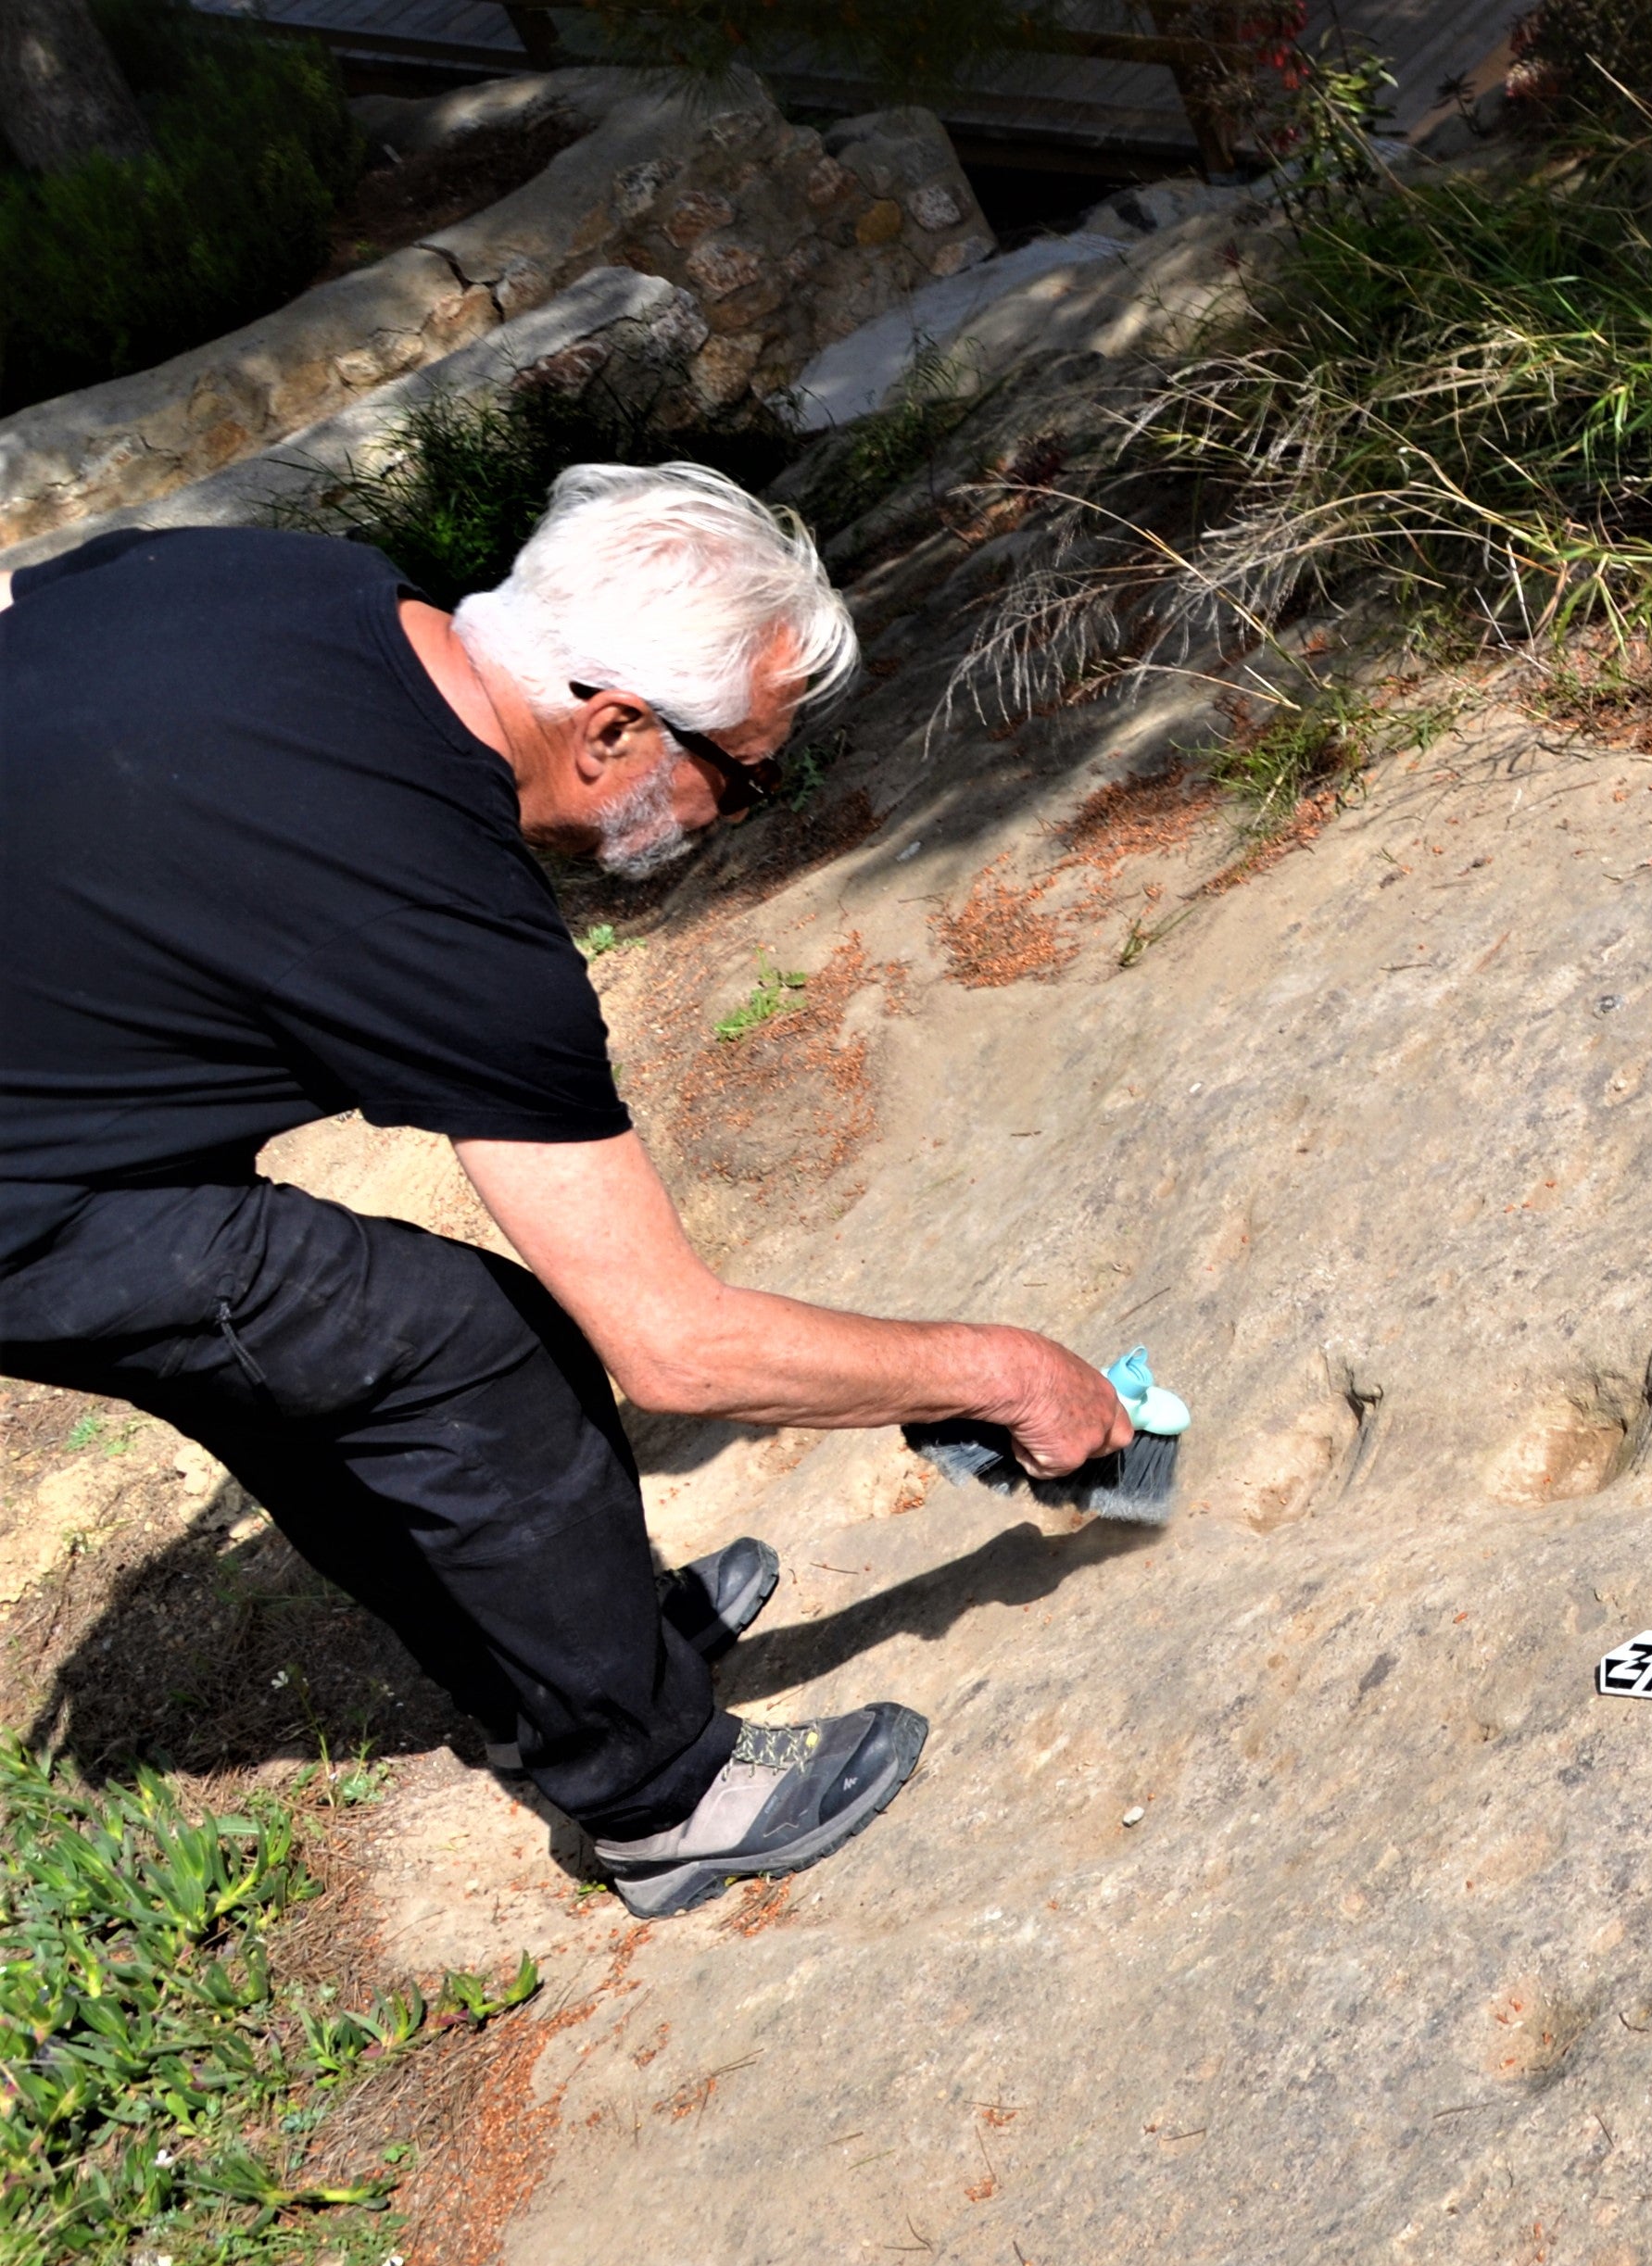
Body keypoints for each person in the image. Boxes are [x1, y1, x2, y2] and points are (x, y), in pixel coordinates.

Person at [0, 464, 1126, 1915]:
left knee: (300, 1367)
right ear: (612, 728)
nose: (739, 812)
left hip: (56, 1072)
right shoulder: (441, 912)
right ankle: (661, 1794)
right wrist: (999, 1374)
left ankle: (574, 1658)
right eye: (747, 773)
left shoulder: (294, 579)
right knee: (456, 1350)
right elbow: (674, 1344)